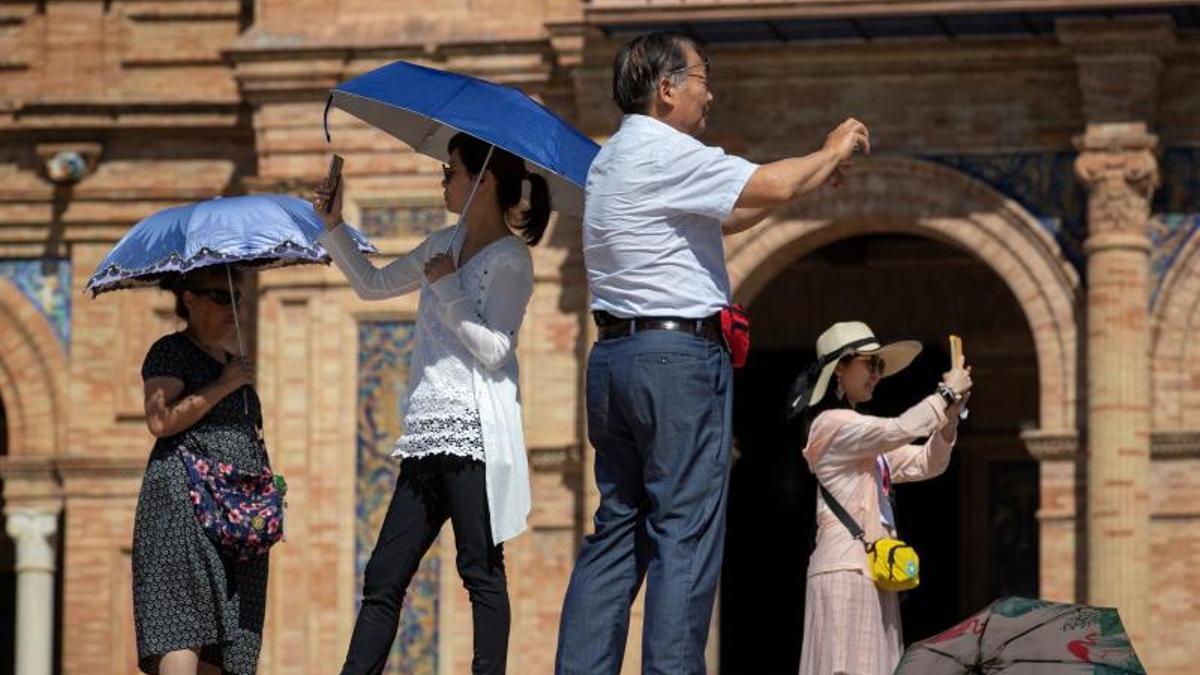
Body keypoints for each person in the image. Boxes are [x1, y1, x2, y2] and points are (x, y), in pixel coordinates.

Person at [555, 29, 872, 675]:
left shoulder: (612, 159)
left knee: (618, 530)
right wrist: (830, 148)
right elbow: (771, 184)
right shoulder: (668, 150)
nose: (711, 91)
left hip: (616, 360)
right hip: (676, 366)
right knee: (685, 531)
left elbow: (730, 211)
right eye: (702, 76)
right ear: (666, 88)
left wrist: (809, 177)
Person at [313, 132, 550, 675]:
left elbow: (495, 349)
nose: (443, 180)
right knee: (384, 575)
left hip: (475, 433)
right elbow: (371, 285)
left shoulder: (511, 259)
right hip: (426, 432)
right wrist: (333, 225)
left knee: (480, 569)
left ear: (482, 182)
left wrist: (449, 289)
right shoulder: (439, 244)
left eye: (451, 172)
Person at [792, 321, 971, 675]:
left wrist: (950, 418)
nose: (876, 374)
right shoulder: (830, 424)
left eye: (880, 367)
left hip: (876, 572)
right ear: (840, 368)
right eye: (870, 364)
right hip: (844, 570)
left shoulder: (865, 442)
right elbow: (899, 428)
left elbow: (927, 463)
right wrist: (946, 393)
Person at [133, 267, 265, 675]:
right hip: (184, 509)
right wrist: (225, 385)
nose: (233, 308)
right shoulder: (170, 351)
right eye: (220, 297)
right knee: (183, 624)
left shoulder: (233, 361)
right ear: (189, 299)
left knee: (226, 641)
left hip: (238, 519)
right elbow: (160, 420)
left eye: (238, 298)